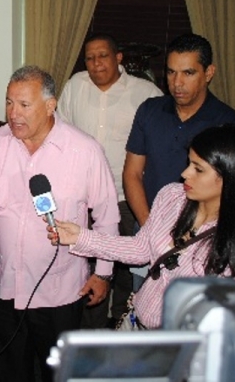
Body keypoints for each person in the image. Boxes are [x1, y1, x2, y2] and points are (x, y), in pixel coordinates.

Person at [0, 66, 119, 382]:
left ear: (50, 106)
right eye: (9, 102)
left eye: (24, 105)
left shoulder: (84, 150)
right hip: (8, 283)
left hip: (60, 291)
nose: (13, 113)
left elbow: (107, 217)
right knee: (10, 369)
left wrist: (103, 273)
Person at [53, 124, 235, 329]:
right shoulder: (173, 196)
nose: (185, 173)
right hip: (135, 324)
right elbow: (141, 249)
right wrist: (81, 237)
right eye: (189, 162)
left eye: (198, 169)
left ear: (230, 177)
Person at [123, 33, 235, 287]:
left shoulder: (229, 123)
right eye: (170, 73)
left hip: (202, 241)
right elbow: (132, 174)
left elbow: (234, 192)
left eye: (188, 73)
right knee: (143, 306)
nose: (177, 83)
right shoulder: (150, 110)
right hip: (148, 225)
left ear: (208, 72)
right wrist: (150, 227)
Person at [58, 33, 163, 327]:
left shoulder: (147, 93)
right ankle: (89, 329)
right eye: (89, 58)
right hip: (86, 196)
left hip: (127, 195)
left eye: (102, 56)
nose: (95, 63)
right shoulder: (75, 86)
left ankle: (122, 323)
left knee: (130, 266)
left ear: (118, 58)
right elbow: (61, 133)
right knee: (89, 264)